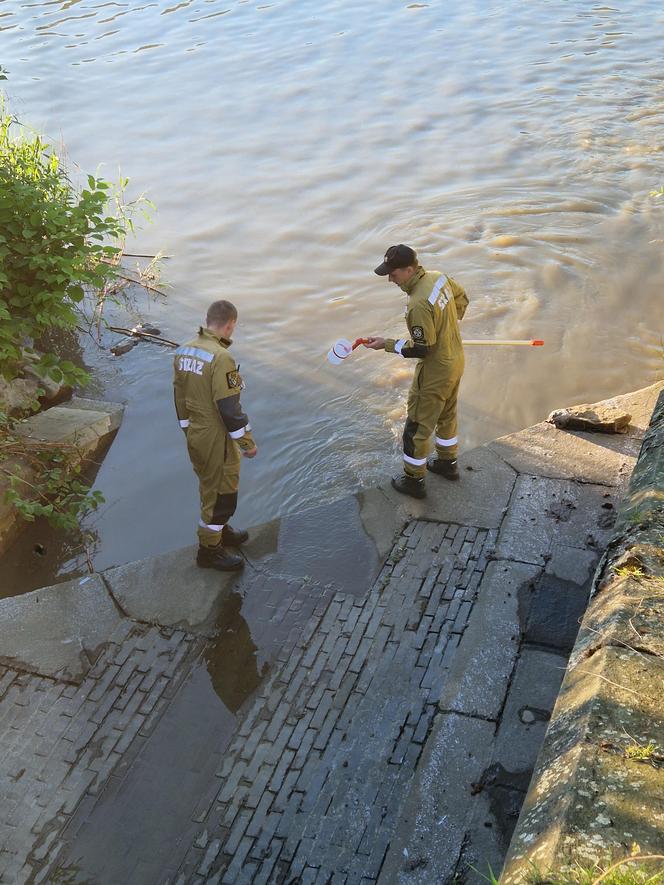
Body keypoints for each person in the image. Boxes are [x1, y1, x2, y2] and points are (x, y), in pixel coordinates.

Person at [364, 244, 468, 499]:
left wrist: (386, 344)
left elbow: (423, 349)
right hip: (455, 359)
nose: (390, 279)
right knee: (447, 413)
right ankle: (447, 463)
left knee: (416, 427)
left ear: (409, 270)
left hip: (434, 371)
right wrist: (446, 326)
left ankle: (414, 480)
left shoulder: (417, 304)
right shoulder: (438, 277)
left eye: (394, 274)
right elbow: (462, 299)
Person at [173, 299, 257, 571]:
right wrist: (247, 444)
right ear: (230, 325)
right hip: (216, 437)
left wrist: (187, 429)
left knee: (209, 486)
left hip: (196, 432)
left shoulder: (184, 351)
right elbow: (229, 409)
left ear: (208, 319)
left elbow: (179, 397)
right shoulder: (222, 358)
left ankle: (219, 531)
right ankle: (209, 550)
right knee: (222, 496)